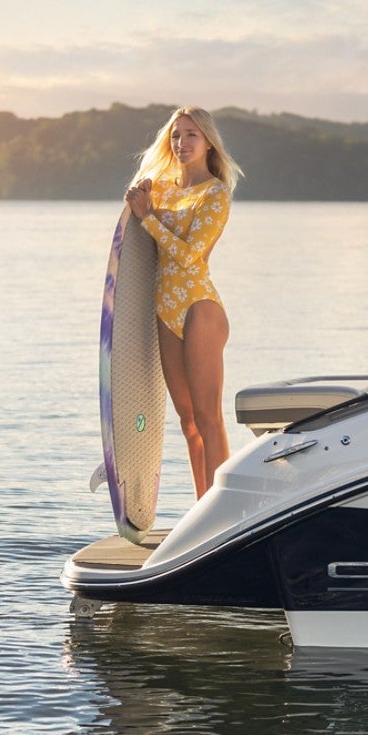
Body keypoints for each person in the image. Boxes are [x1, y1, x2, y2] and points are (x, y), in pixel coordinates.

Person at [123, 107, 243, 499]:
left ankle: (221, 508)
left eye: (191, 135)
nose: (182, 143)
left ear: (208, 141)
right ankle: (200, 506)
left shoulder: (215, 193)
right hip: (165, 311)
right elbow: (139, 239)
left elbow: (190, 256)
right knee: (187, 420)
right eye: (176, 136)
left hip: (199, 309)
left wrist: (148, 219)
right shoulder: (161, 187)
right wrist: (139, 204)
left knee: (209, 418)